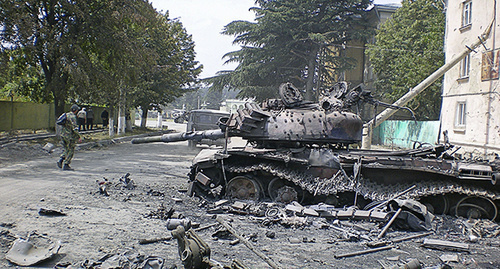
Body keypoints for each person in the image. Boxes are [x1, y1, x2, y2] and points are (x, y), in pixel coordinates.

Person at [57, 104, 83, 171]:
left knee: (66, 149)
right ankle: (66, 164)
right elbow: (74, 128)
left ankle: (61, 160)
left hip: (63, 135)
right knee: (71, 150)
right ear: (76, 110)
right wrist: (79, 136)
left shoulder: (66, 114)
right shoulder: (72, 117)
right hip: (69, 136)